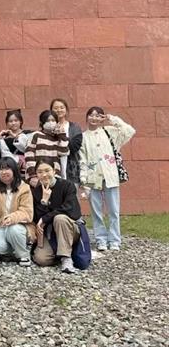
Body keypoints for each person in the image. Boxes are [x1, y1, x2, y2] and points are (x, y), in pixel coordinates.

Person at [79, 108, 135, 251]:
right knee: (96, 211)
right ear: (87, 117)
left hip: (110, 176)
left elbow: (129, 131)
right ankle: (101, 239)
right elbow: (82, 159)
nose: (94, 118)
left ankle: (114, 239)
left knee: (114, 210)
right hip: (92, 178)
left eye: (98, 116)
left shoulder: (109, 131)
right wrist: (83, 179)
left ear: (102, 118)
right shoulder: (83, 137)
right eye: (91, 115)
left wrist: (111, 118)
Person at [31, 159, 84, 274]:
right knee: (41, 259)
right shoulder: (36, 192)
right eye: (40, 172)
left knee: (59, 218)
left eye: (47, 170)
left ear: (54, 171)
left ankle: (66, 258)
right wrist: (44, 202)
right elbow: (37, 219)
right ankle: (62, 251)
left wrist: (46, 218)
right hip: (50, 233)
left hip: (70, 228)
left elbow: (71, 209)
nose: (44, 175)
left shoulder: (67, 186)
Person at [0, 158, 34, 267]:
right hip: (0, 226)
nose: (3, 172)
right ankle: (13, 251)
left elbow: (27, 212)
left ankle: (24, 255)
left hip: (20, 226)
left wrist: (12, 218)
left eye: (7, 168)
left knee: (13, 229)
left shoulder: (24, 188)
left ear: (14, 170)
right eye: (0, 169)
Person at [24, 110, 69, 187]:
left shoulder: (58, 138)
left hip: (54, 176)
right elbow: (29, 155)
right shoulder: (36, 135)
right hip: (37, 176)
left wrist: (62, 135)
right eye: (48, 120)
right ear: (42, 122)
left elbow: (64, 152)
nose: (51, 123)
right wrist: (33, 174)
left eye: (53, 120)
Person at [50, 98, 83, 185]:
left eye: (62, 107)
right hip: (53, 168)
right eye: (56, 108)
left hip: (71, 168)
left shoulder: (74, 127)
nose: (59, 110)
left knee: (72, 192)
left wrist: (63, 135)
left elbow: (75, 147)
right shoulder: (48, 128)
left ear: (66, 109)